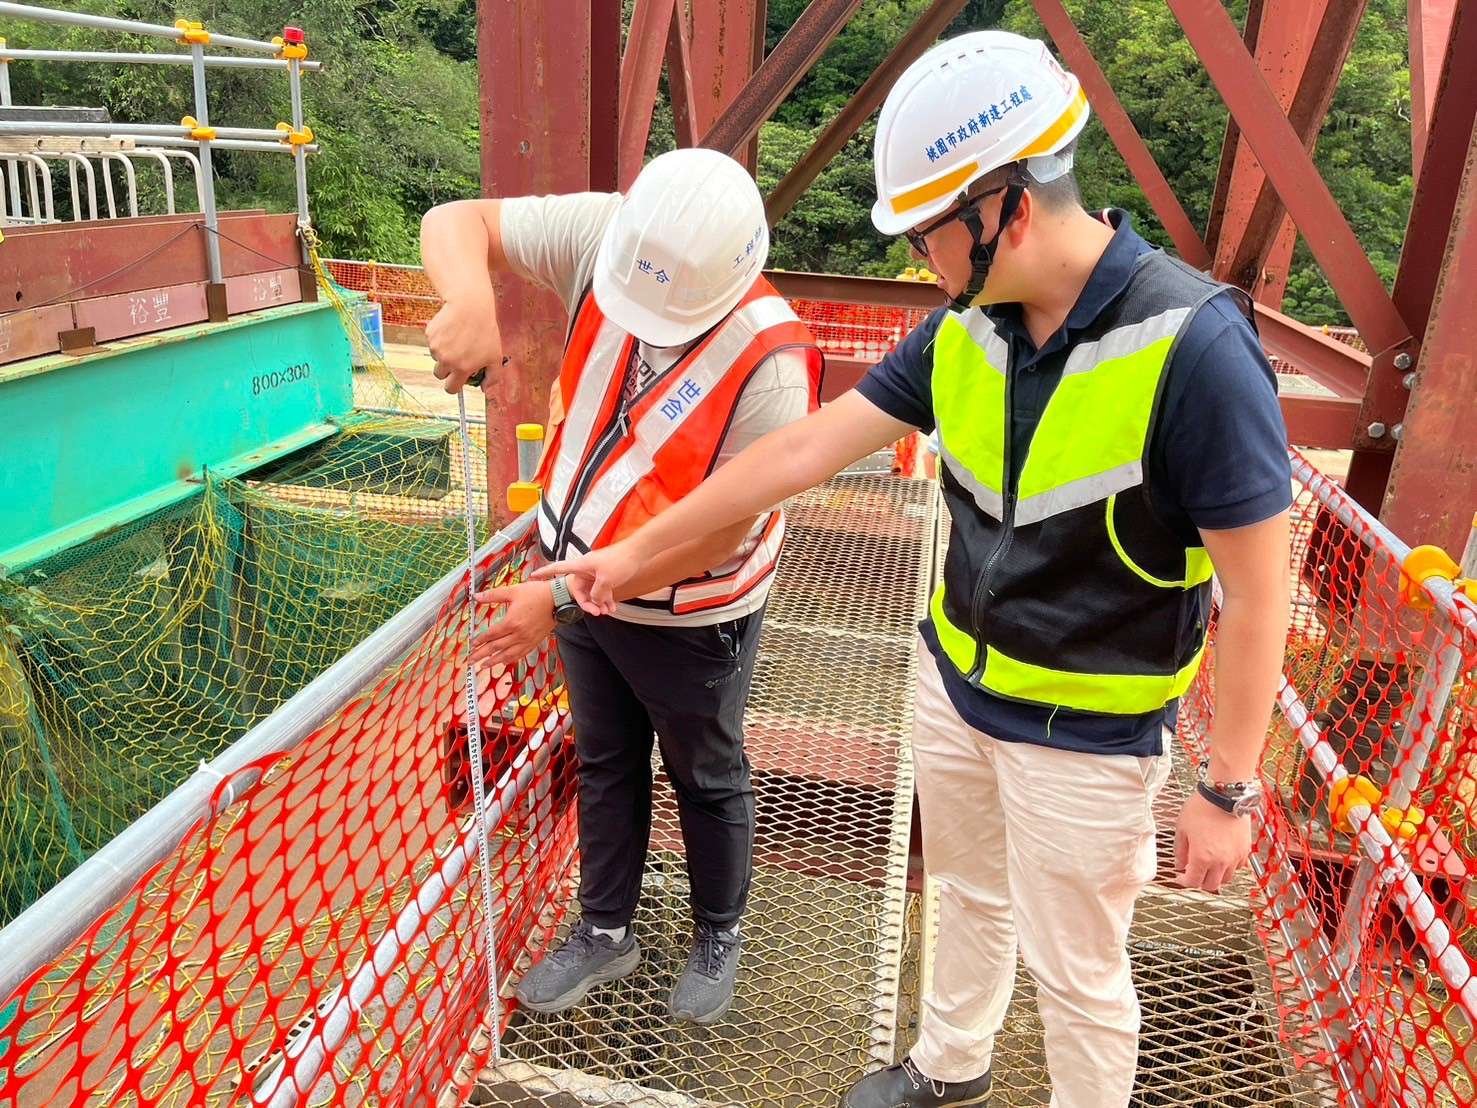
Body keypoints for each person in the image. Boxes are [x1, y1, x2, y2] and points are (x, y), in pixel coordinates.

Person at [536, 31, 1291, 1108]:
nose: (920, 260)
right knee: (968, 894)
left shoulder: (1192, 348)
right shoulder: (963, 331)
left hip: (1087, 736)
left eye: (930, 234)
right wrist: (630, 553)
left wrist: (1230, 786)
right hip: (957, 687)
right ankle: (951, 1065)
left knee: (1079, 972)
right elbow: (794, 452)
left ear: (1008, 210)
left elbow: (1262, 587)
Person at [419, 148, 821, 1026]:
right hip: (572, 579)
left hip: (688, 611)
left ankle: (719, 927)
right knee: (605, 759)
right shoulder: (618, 234)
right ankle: (605, 929)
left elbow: (720, 534)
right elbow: (458, 219)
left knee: (705, 771)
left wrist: (559, 598)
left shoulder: (772, 368)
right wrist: (470, 298)